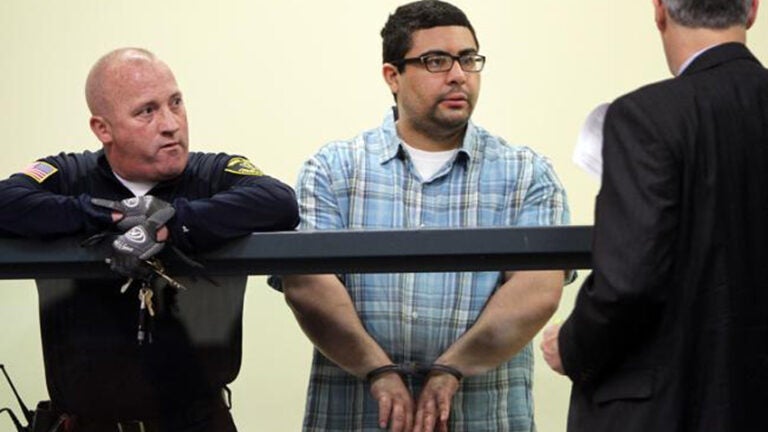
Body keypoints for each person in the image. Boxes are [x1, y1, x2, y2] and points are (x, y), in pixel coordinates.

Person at [274, 1, 570, 430]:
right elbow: (307, 287)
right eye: (436, 61)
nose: (458, 75)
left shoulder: (527, 173)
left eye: (468, 59)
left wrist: (452, 368)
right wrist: (377, 370)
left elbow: (538, 290)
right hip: (357, 417)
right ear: (392, 76)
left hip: (483, 419)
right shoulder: (333, 170)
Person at [0, 48, 299, 431]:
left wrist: (170, 224)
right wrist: (110, 215)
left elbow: (278, 201)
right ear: (103, 129)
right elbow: (7, 201)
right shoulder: (70, 175)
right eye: (147, 111)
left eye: (176, 103)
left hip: (196, 423)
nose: (171, 124)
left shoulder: (212, 174)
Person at [540, 1, 768, 431]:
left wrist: (571, 347)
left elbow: (628, 285)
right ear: (753, 10)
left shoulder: (645, 118)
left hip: (667, 410)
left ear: (660, 10)